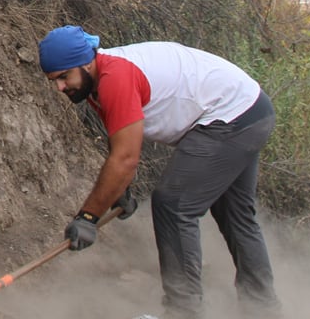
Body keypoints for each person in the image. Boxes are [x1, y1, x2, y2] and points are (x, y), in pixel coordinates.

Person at [37, 25, 282, 319]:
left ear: (86, 61)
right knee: (235, 215)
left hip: (232, 114)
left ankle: (183, 311)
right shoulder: (97, 80)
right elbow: (122, 142)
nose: (59, 87)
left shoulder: (115, 78)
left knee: (173, 204)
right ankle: (263, 310)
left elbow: (126, 159)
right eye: (54, 80)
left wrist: (88, 217)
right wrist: (119, 191)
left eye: (64, 77)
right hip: (251, 109)